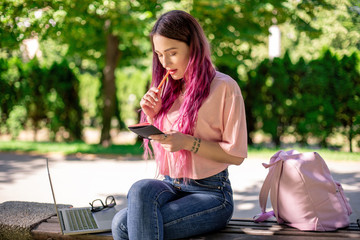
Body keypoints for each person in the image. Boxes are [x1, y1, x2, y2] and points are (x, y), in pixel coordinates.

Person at [112, 10, 247, 240]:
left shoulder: (225, 87)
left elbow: (236, 156)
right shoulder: (167, 89)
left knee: (123, 226)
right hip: (171, 186)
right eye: (159, 54)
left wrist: (188, 142)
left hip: (211, 193)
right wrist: (152, 118)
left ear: (193, 47)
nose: (165, 63)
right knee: (139, 190)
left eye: (172, 53)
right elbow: (167, 152)